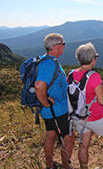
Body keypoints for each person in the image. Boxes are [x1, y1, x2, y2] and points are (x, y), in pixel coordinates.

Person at [69, 42, 103, 169]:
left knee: (83, 145)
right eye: (96, 57)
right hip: (95, 117)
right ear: (92, 60)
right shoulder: (94, 76)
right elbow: (102, 101)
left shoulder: (71, 74)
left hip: (78, 116)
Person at [35, 33, 74, 169]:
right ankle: (65, 166)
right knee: (68, 138)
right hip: (57, 110)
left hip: (50, 111)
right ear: (56, 46)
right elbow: (39, 85)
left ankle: (50, 165)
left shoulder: (45, 60)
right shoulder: (50, 63)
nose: (64, 46)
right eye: (63, 44)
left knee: (51, 134)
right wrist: (45, 102)